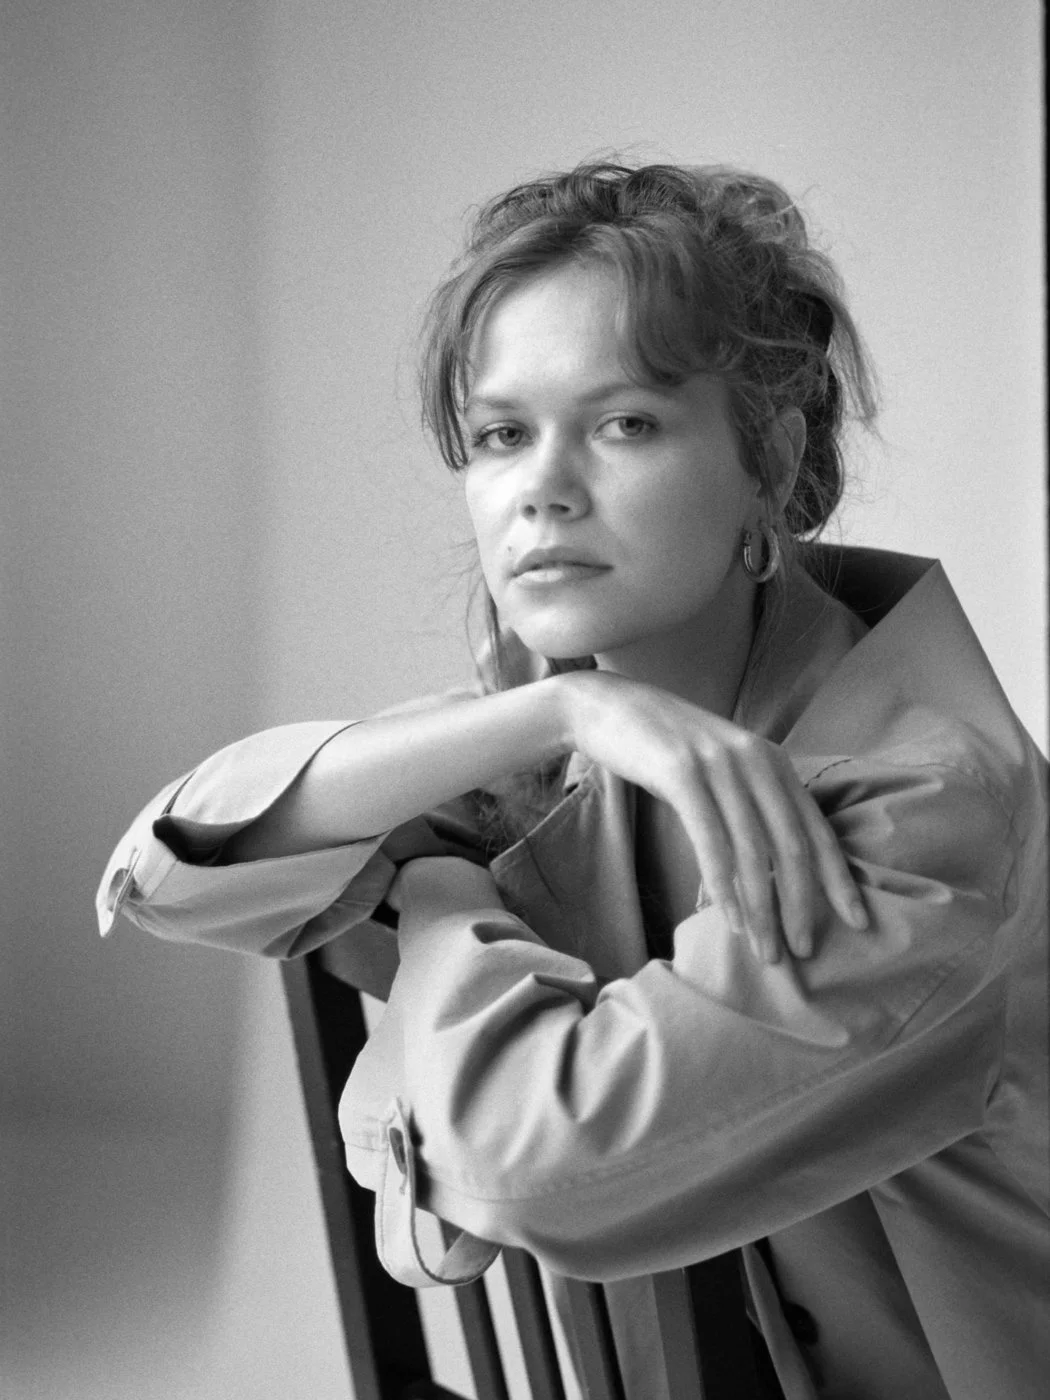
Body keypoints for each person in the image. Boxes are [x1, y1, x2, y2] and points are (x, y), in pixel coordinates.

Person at [97, 162, 1048, 1400]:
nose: (541, 485)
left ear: (769, 456)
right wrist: (560, 703)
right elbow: (168, 873)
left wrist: (431, 897)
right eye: (501, 433)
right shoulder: (574, 729)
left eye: (624, 424)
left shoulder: (923, 816)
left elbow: (534, 1167)